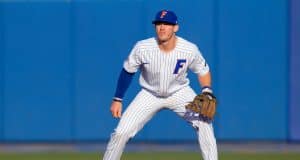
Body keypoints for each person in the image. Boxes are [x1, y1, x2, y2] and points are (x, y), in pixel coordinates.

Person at [103, 9, 218, 160]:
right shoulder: (143, 48)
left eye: (167, 24)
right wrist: (118, 99)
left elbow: (203, 71)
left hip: (180, 93)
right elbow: (127, 71)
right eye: (158, 24)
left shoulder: (189, 49)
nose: (162, 27)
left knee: (205, 124)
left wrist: (207, 91)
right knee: (120, 133)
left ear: (175, 27)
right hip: (150, 94)